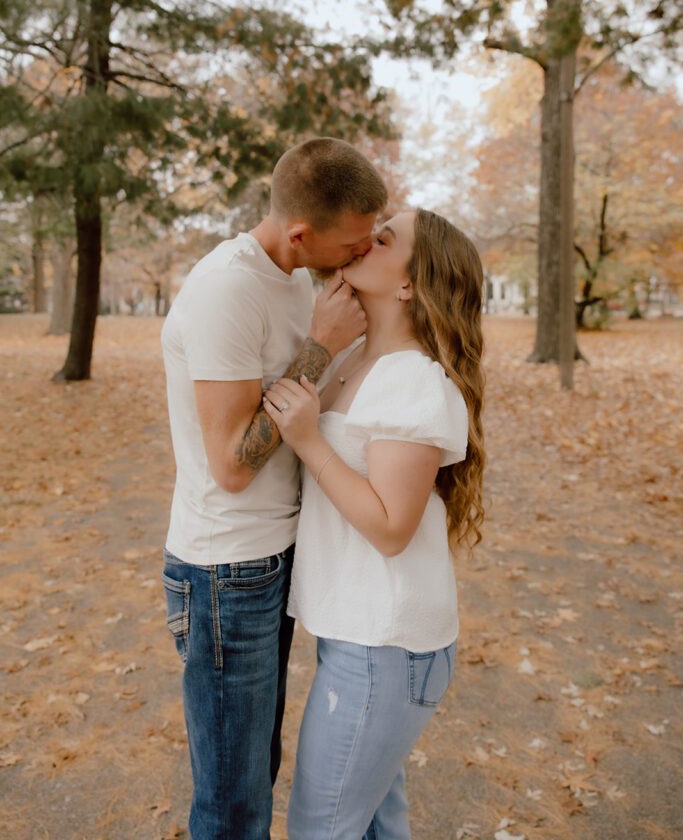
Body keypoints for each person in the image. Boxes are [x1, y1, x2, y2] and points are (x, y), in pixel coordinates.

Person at [160, 137, 388, 840]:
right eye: (351, 242)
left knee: (256, 769)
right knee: (233, 804)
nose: (361, 251)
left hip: (272, 557)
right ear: (299, 233)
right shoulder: (226, 291)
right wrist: (320, 347)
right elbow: (232, 465)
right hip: (226, 572)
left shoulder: (295, 276)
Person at [264, 208, 485, 840]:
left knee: (322, 828)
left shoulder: (414, 380)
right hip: (360, 634)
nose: (366, 240)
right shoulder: (355, 357)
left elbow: (391, 527)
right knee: (375, 826)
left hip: (385, 645)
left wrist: (309, 439)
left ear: (410, 283)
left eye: (384, 239)